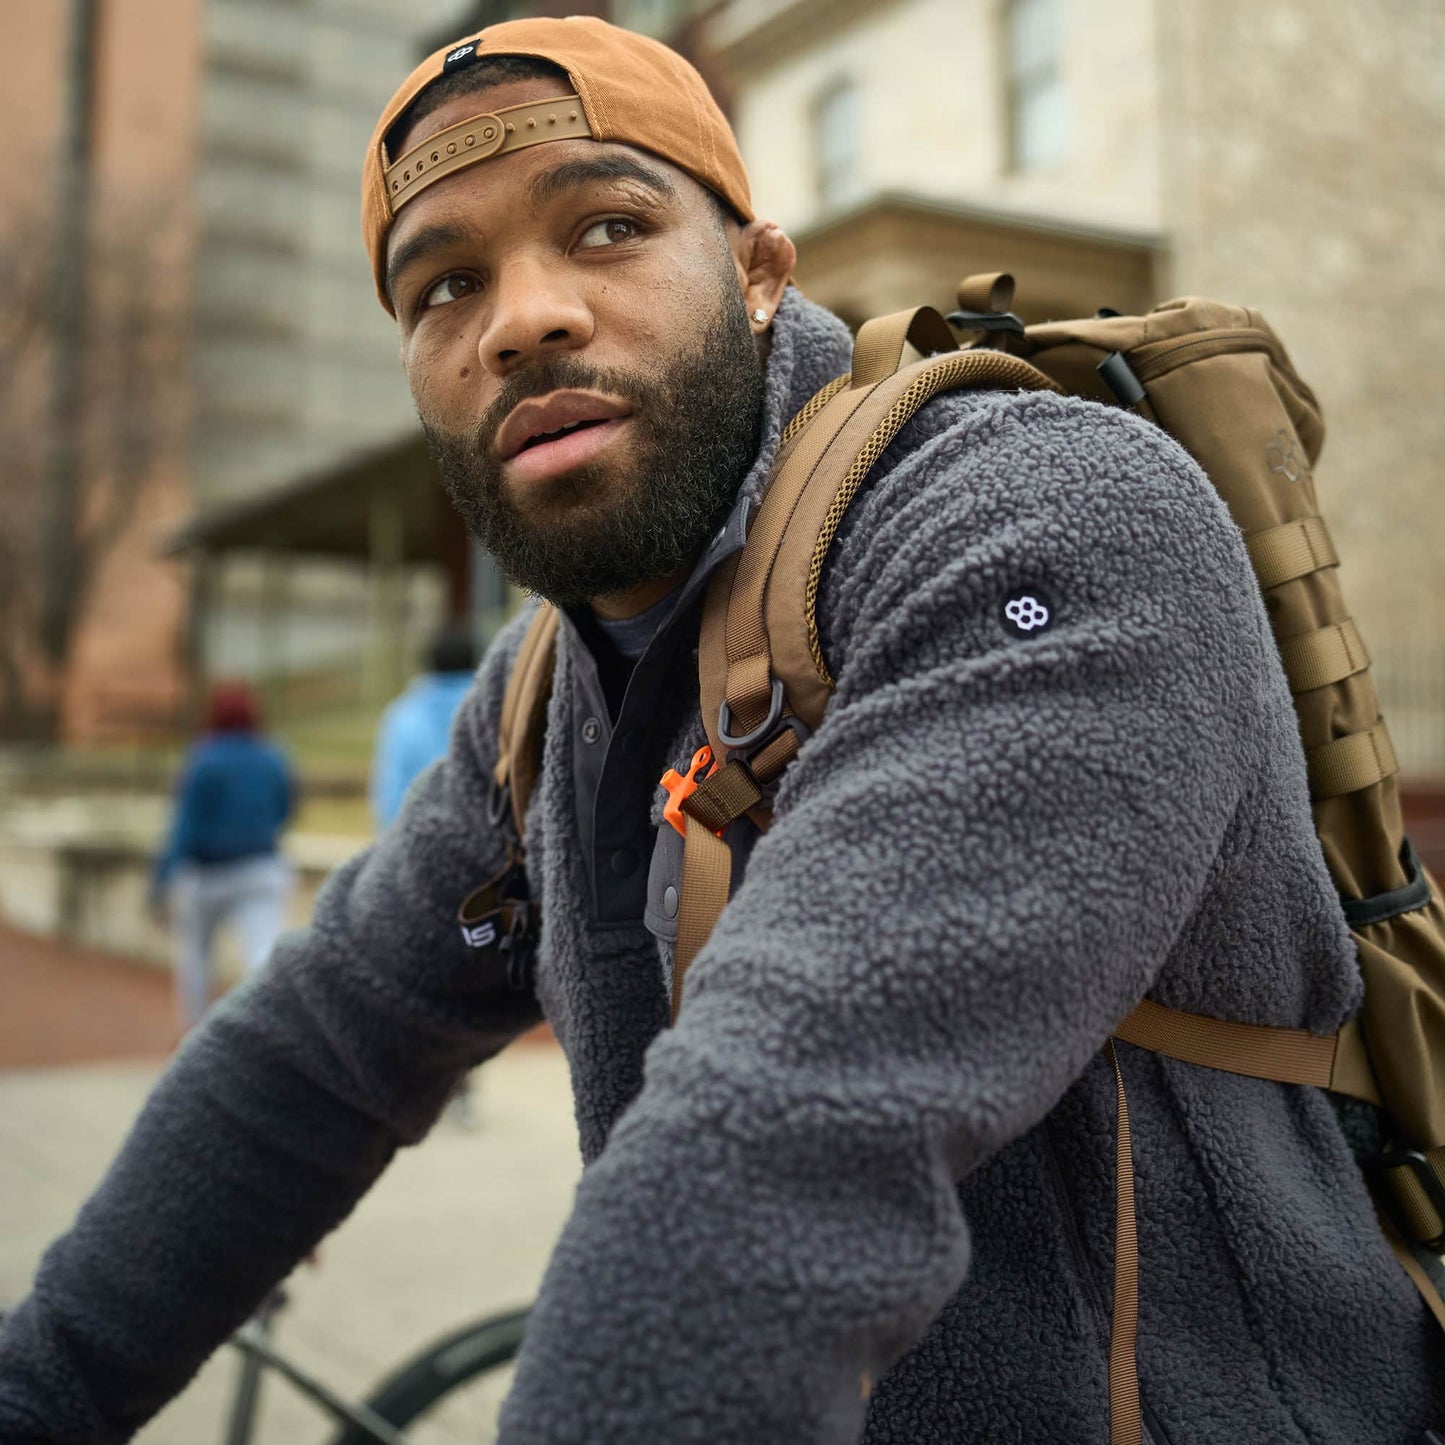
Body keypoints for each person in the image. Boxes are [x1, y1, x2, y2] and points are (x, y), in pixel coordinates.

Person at [1, 17, 1440, 1443]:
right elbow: (306, 1061)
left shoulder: (1042, 519)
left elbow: (781, 1145)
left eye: (609, 227)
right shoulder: (537, 702)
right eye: (445, 285)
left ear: (757, 271)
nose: (525, 315)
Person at [149, 681, 295, 1029]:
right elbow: (285, 808)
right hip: (261, 867)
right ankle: (266, 1029)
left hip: (208, 874)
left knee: (196, 959)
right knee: (262, 956)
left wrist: (160, 882)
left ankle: (195, 1034)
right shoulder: (273, 757)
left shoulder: (203, 760)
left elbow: (184, 827)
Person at [370, 621, 478, 828]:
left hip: (414, 843)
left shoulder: (402, 716)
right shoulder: (492, 714)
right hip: (484, 847)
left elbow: (389, 793)